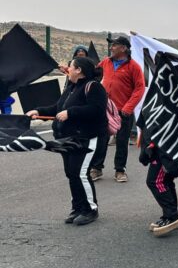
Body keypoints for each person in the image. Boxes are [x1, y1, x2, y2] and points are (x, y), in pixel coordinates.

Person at [26, 57, 107, 226]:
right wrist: (38, 110)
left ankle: (90, 209)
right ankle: (77, 207)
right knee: (71, 173)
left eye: (70, 66)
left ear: (79, 70)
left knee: (80, 173)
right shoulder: (71, 86)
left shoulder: (94, 87)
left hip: (85, 138)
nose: (67, 68)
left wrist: (71, 113)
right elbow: (58, 107)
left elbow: (97, 110)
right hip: (66, 138)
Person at [90, 36, 145, 183]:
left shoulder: (134, 67)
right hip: (105, 109)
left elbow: (139, 89)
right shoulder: (106, 62)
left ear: (124, 48)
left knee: (121, 141)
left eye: (114, 45)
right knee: (101, 140)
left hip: (123, 111)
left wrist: (128, 107)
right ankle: (97, 168)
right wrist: (70, 70)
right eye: (111, 45)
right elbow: (91, 74)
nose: (111, 48)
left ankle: (120, 170)